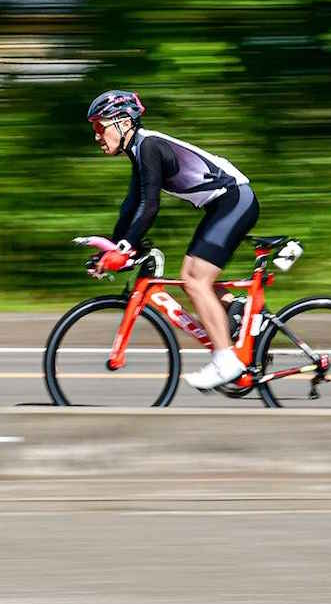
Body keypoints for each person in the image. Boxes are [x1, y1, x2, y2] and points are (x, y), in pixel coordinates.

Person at [86, 89, 259, 391]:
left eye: (100, 127)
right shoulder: (139, 152)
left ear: (124, 123)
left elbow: (150, 206)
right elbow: (131, 207)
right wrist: (114, 246)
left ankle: (226, 360)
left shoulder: (149, 146)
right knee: (191, 276)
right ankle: (236, 310)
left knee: (195, 281)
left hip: (235, 200)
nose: (97, 136)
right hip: (224, 204)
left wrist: (125, 247)